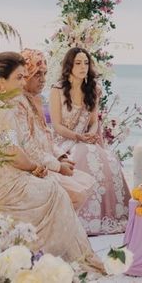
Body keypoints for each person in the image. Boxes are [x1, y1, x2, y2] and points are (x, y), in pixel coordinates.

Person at [0, 52, 103, 271]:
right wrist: (35, 167)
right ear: (1, 81)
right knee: (54, 192)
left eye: (25, 77)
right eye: (19, 78)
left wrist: (43, 164)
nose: (24, 83)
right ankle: (45, 260)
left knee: (54, 188)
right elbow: (12, 151)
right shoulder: (1, 111)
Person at [49, 47, 130, 235]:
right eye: (78, 63)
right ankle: (84, 217)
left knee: (108, 159)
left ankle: (109, 216)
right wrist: (78, 137)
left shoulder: (93, 89)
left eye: (86, 63)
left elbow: (94, 121)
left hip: (87, 140)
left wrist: (92, 135)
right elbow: (57, 126)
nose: (83, 67)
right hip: (64, 141)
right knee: (82, 154)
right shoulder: (57, 90)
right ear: (69, 66)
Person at [17, 48, 95, 209]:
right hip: (33, 168)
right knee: (78, 192)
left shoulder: (35, 100)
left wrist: (60, 156)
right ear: (25, 75)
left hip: (48, 160)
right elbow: (29, 146)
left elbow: (46, 136)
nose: (43, 80)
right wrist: (58, 166)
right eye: (38, 74)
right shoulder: (18, 104)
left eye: (45, 74)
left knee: (87, 182)